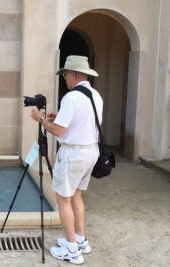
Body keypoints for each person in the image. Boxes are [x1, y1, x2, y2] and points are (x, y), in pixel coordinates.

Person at [30, 55, 103, 265]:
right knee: (77, 195)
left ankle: (72, 249)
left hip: (73, 154)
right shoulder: (95, 95)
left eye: (65, 76)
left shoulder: (71, 97)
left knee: (63, 199)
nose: (64, 80)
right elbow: (82, 123)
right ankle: (80, 240)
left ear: (73, 74)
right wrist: (57, 118)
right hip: (91, 151)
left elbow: (59, 132)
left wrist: (41, 120)